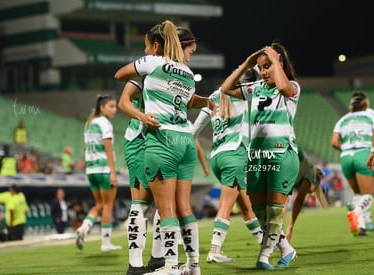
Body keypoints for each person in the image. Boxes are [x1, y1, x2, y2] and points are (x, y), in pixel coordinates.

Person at [115, 20, 214, 275]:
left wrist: (205, 100)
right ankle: (135, 266)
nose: (191, 56)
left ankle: (160, 260)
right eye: (190, 51)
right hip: (140, 139)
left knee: (163, 204)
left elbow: (186, 100)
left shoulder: (169, 70)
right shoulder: (147, 69)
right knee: (142, 203)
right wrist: (141, 116)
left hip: (162, 138)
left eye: (147, 47)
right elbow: (124, 102)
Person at [220, 42, 300, 270]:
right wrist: (246, 63)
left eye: (267, 66)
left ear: (279, 64)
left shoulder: (292, 87)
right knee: (260, 213)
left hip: (281, 154)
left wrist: (276, 61)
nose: (263, 72)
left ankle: (264, 256)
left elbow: (284, 88)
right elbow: (226, 89)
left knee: (274, 212)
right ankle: (287, 249)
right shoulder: (255, 89)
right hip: (256, 156)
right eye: (261, 68)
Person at [192, 67, 263, 264]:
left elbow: (193, 132)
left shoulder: (212, 98)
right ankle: (215, 249)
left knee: (246, 206)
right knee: (225, 206)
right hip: (235, 154)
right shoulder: (242, 92)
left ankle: (265, 244)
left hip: (217, 157)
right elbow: (264, 87)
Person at [75, 94, 122, 252]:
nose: (114, 110)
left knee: (99, 205)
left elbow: (85, 147)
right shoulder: (105, 123)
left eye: (115, 106)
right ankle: (106, 243)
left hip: (91, 169)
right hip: (104, 170)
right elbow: (108, 150)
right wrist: (113, 173)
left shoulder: (89, 123)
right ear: (102, 108)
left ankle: (84, 228)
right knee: (108, 205)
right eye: (111, 106)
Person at [331, 92, 374, 235]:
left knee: (358, 194)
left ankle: (362, 226)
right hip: (363, 153)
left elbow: (334, 142)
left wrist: (344, 149)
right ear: (365, 104)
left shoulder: (342, 119)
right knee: (368, 194)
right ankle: (356, 211)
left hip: (346, 156)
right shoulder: (371, 116)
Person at [283, 147, 329, 241]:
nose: (310, 193)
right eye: (312, 190)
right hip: (292, 156)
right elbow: (295, 201)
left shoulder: (300, 177)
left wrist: (286, 229)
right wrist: (288, 228)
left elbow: (287, 202)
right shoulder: (309, 174)